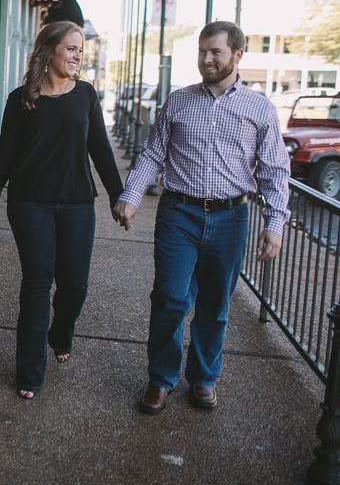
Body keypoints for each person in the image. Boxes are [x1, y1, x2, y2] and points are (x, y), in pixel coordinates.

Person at [113, 21, 290, 414]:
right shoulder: (178, 101)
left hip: (231, 218)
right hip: (179, 213)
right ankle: (161, 378)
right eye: (202, 51)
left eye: (216, 52)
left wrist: (275, 224)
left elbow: (275, 170)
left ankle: (204, 378)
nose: (206, 59)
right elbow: (153, 153)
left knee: (215, 305)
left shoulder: (259, 108)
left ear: (237, 55)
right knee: (170, 298)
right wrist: (132, 194)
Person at [0, 21, 124, 399]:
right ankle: (29, 372)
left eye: (80, 50)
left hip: (77, 203)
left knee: (75, 285)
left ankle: (60, 333)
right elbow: (5, 153)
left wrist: (118, 196)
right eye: (72, 48)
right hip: (30, 203)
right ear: (49, 50)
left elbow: (101, 150)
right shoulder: (22, 98)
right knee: (37, 282)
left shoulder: (86, 95)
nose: (78, 56)